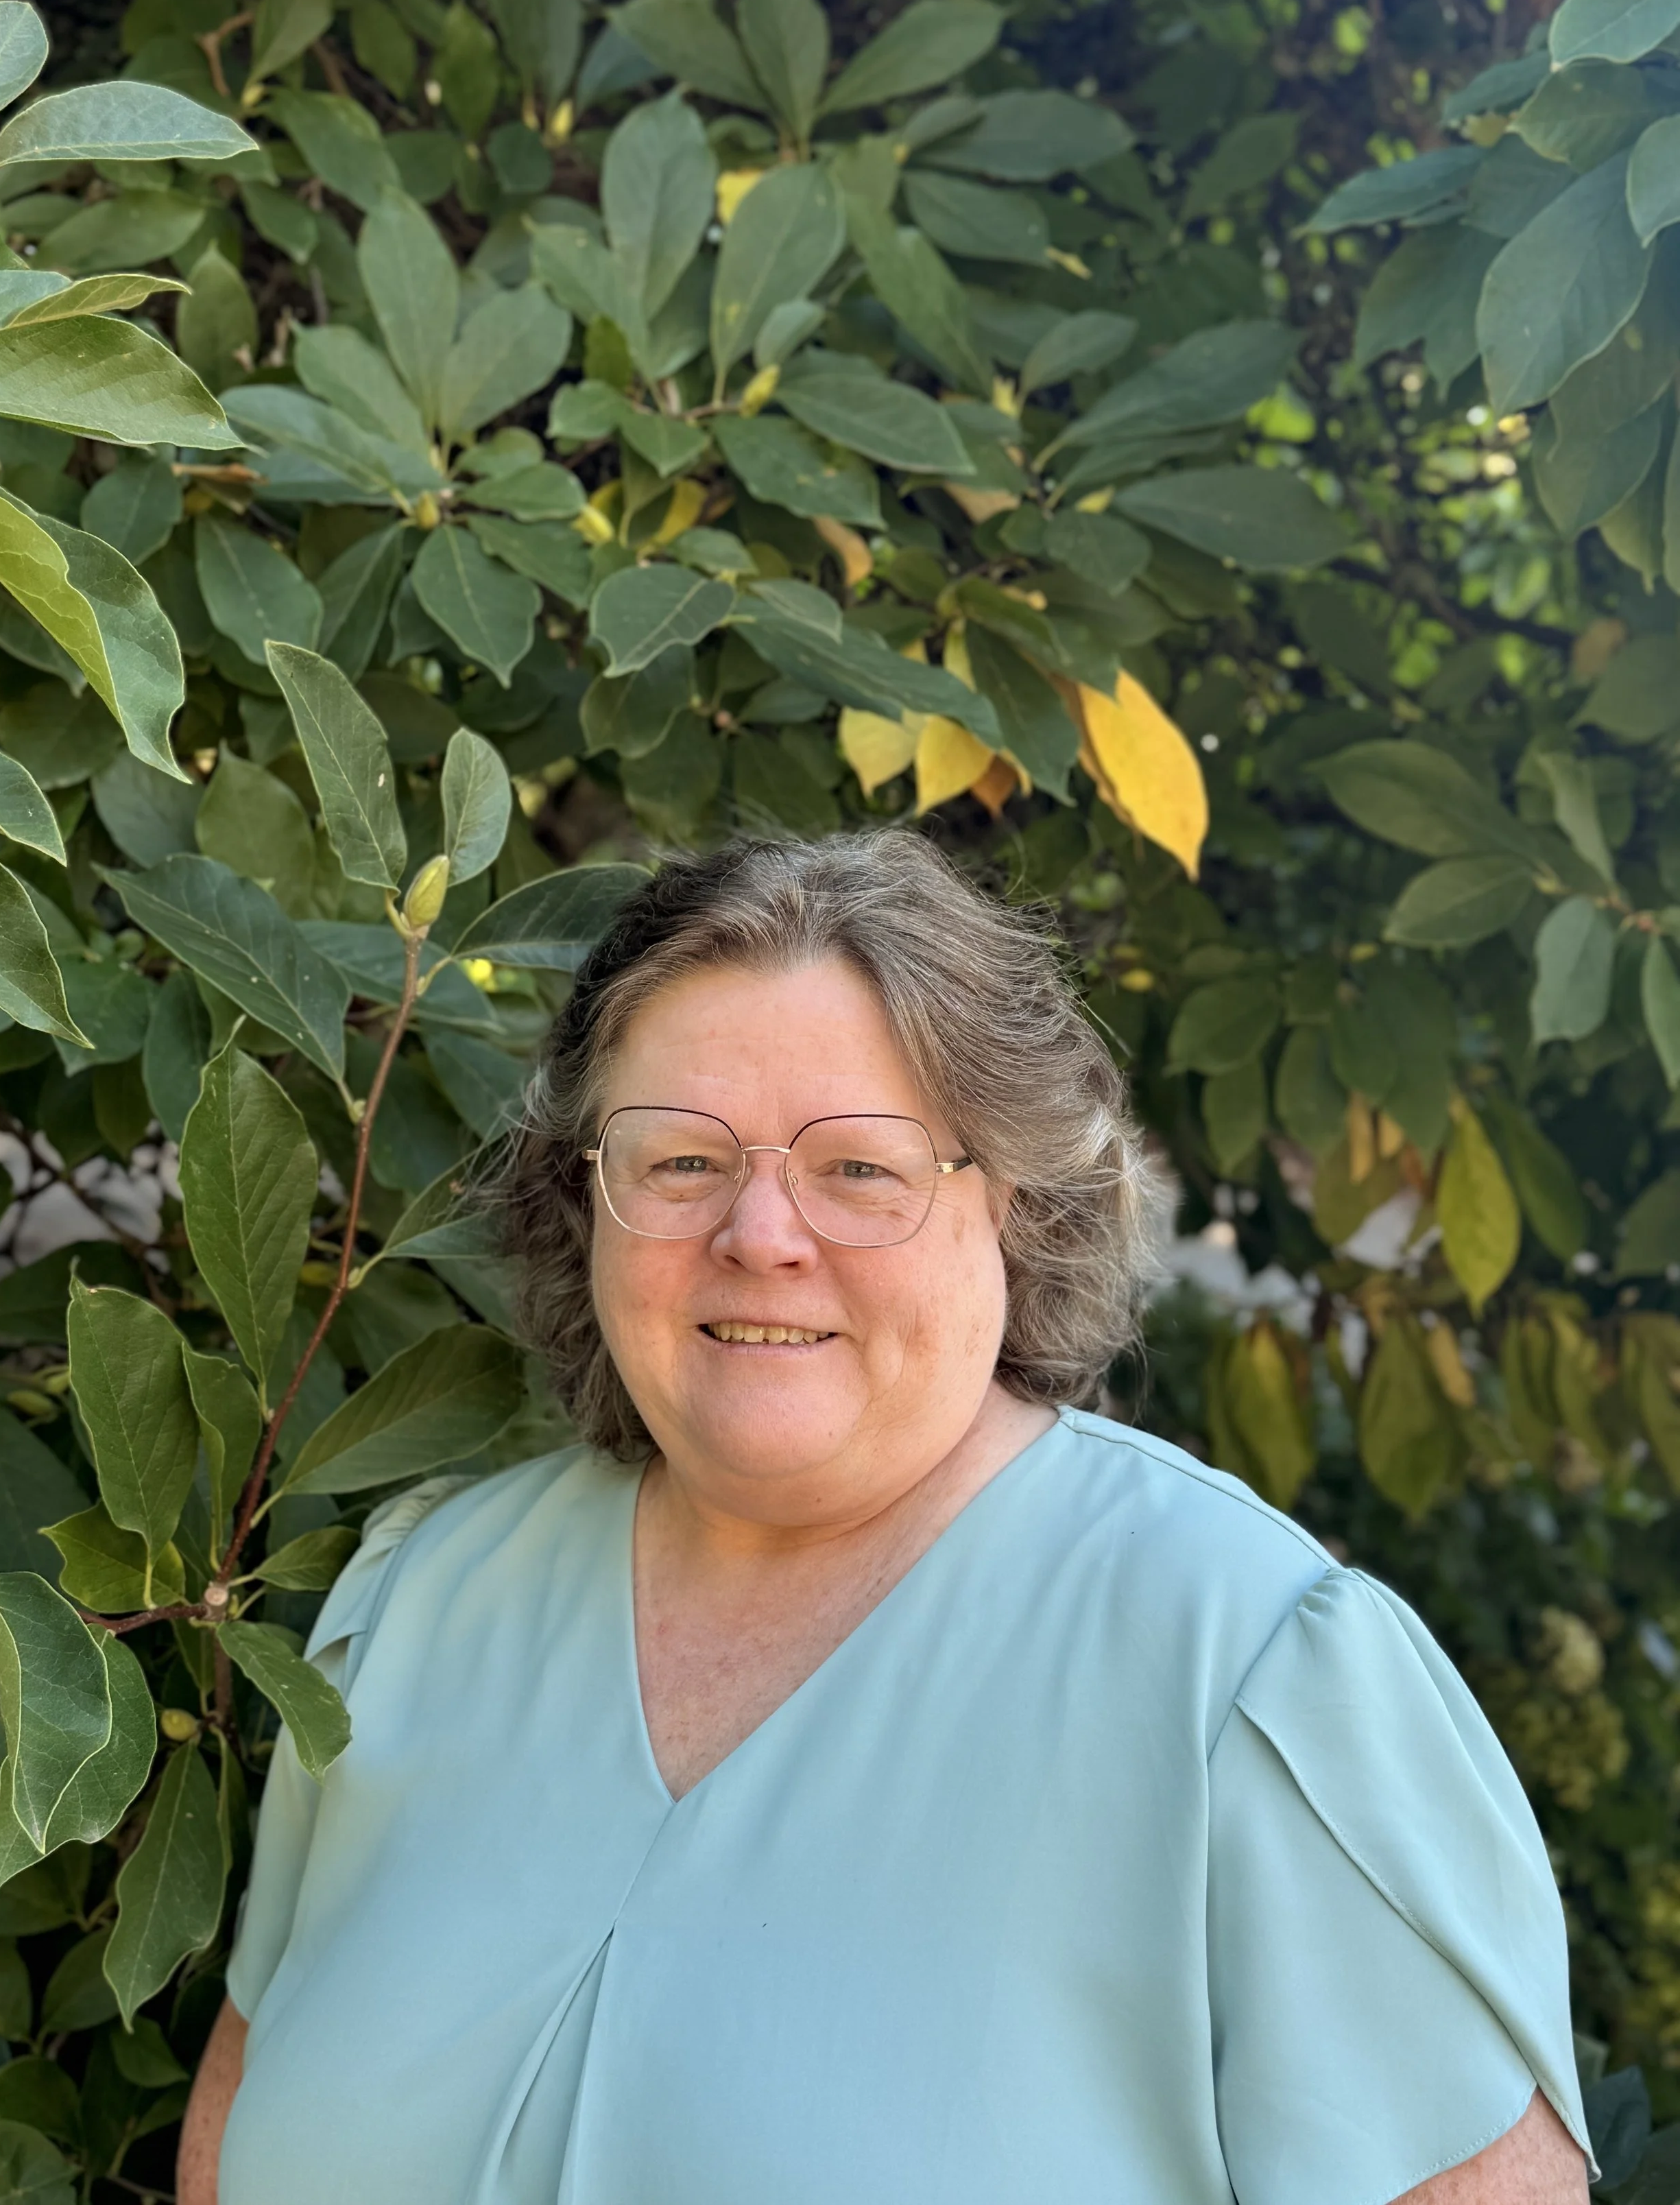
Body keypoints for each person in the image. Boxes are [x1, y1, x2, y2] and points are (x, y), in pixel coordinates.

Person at [180, 830, 1592, 2205]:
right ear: (584, 1196)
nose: (760, 1233)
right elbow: (240, 2120)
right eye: (679, 1159)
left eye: (860, 1166)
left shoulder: (1249, 1679)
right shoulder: (419, 1599)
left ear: (1017, 1205)